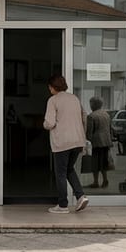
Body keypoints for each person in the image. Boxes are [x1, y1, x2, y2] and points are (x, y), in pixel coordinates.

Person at [43, 74, 90, 214]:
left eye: (49, 86)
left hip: (62, 142)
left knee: (60, 173)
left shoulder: (53, 100)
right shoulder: (74, 98)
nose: (49, 89)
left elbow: (50, 123)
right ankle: (80, 196)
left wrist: (45, 124)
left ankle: (62, 205)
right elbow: (84, 116)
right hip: (77, 140)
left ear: (52, 87)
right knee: (69, 169)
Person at [85, 96, 113, 188]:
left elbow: (89, 132)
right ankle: (105, 180)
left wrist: (86, 141)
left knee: (95, 163)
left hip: (96, 143)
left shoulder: (91, 116)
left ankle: (96, 182)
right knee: (104, 162)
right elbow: (109, 129)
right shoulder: (106, 115)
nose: (90, 105)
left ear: (93, 105)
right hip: (106, 142)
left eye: (90, 104)